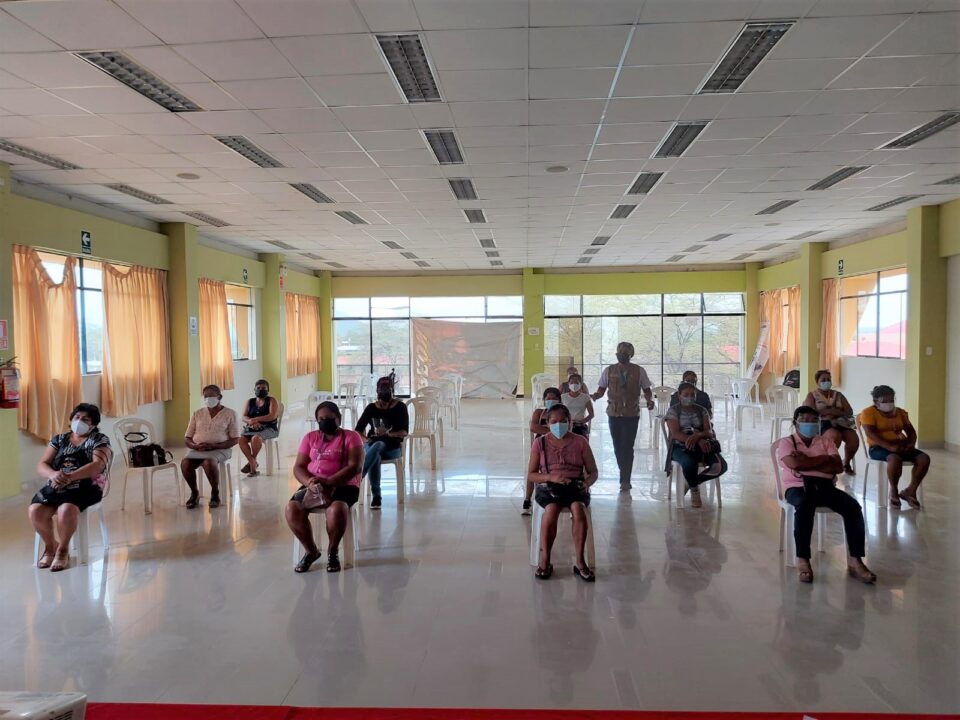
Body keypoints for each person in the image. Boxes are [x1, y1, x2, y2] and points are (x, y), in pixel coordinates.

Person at [776, 406, 876, 584]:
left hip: (824, 487)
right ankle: (803, 559)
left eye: (813, 420)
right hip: (797, 487)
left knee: (853, 507)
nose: (809, 423)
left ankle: (855, 561)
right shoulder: (787, 442)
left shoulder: (826, 441)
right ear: (796, 423)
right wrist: (824, 460)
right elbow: (794, 464)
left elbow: (837, 466)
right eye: (804, 420)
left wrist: (805, 461)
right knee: (804, 505)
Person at [29, 403, 112, 572]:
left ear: (93, 424)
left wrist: (70, 477)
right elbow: (42, 464)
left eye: (85, 419)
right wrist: (53, 474)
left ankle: (63, 549)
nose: (79, 421)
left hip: (86, 486)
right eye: (77, 417)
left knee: (66, 509)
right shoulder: (59, 440)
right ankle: (51, 546)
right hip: (57, 485)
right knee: (35, 510)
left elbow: (97, 465)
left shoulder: (99, 440)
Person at [286, 402, 364, 573]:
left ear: (339, 418)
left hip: (344, 484)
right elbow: (299, 466)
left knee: (336, 510)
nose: (324, 422)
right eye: (320, 419)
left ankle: (332, 551)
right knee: (292, 509)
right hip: (314, 485)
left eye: (329, 418)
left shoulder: (352, 437)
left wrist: (329, 482)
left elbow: (355, 467)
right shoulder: (310, 438)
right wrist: (309, 482)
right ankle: (311, 551)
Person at [526, 403, 599, 582]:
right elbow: (532, 475)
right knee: (551, 511)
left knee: (578, 510)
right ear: (547, 423)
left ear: (570, 422)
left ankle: (580, 561)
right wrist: (551, 477)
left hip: (575, 485)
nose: (559, 425)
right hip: (549, 486)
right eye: (554, 422)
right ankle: (545, 560)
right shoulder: (540, 443)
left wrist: (586, 483)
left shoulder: (580, 442)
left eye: (563, 421)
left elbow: (593, 472)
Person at [591, 341, 654, 491]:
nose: (621, 354)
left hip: (631, 414)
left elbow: (646, 389)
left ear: (631, 354)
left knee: (627, 446)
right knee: (617, 446)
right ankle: (623, 473)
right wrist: (595, 396)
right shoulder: (609, 370)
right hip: (614, 413)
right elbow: (601, 389)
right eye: (619, 352)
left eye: (625, 352)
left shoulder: (639, 371)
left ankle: (625, 479)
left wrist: (649, 400)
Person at [858, 385, 930, 509]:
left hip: (900, 445)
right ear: (876, 402)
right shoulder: (868, 413)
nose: (889, 404)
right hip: (878, 447)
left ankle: (910, 491)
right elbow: (871, 433)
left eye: (891, 400)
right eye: (884, 401)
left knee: (924, 459)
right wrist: (889, 446)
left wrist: (910, 444)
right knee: (895, 459)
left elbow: (911, 431)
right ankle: (894, 491)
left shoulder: (900, 412)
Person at [664, 382, 727, 508]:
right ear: (679, 395)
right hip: (680, 447)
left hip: (702, 446)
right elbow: (675, 434)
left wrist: (698, 436)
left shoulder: (702, 410)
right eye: (686, 395)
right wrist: (696, 440)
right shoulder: (673, 411)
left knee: (720, 467)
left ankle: (692, 482)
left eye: (692, 395)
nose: (689, 397)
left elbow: (709, 432)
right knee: (689, 463)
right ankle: (695, 491)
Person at [181, 385, 240, 510]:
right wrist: (195, 446)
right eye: (206, 396)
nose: (208, 399)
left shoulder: (230, 414)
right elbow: (187, 437)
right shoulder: (197, 413)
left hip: (221, 449)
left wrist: (215, 445)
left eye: (211, 396)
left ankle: (215, 493)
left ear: (219, 397)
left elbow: (235, 439)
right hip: (198, 449)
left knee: (208, 462)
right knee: (185, 463)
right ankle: (194, 493)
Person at [355, 376, 409, 509]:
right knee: (376, 452)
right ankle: (376, 498)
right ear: (377, 391)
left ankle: (357, 477)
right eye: (381, 389)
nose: (384, 392)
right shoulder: (371, 408)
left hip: (392, 447)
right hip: (372, 444)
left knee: (378, 446)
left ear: (392, 390)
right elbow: (357, 431)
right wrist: (367, 440)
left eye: (387, 389)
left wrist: (389, 434)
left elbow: (404, 432)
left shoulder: (400, 407)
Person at [802, 369, 858, 475]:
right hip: (823, 423)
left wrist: (834, 412)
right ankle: (828, 462)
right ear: (817, 382)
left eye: (828, 379)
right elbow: (810, 412)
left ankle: (846, 462)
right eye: (823, 380)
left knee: (853, 439)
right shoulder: (812, 395)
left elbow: (849, 411)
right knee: (835, 436)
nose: (826, 382)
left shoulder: (838, 395)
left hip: (841, 422)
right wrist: (829, 412)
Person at [522, 387, 562, 516]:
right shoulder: (539, 412)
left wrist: (546, 429)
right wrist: (552, 431)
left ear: (559, 400)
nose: (551, 400)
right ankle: (527, 499)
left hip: (559, 445)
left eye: (554, 398)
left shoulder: (562, 412)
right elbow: (534, 427)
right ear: (544, 400)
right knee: (532, 470)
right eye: (548, 398)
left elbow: (567, 429)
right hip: (541, 445)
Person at [238, 378, 280, 477]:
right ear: (254, 389)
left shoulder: (271, 400)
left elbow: (272, 416)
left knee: (255, 438)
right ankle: (253, 462)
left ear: (268, 390)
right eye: (258, 388)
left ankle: (252, 467)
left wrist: (255, 419)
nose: (261, 390)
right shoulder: (250, 401)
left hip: (269, 428)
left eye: (264, 388)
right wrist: (250, 422)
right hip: (252, 427)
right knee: (241, 440)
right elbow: (244, 416)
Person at [561, 372, 594, 437]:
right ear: (568, 384)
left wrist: (582, 421)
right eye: (572, 382)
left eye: (576, 382)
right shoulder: (563, 397)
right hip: (566, 425)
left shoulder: (585, 397)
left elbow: (591, 414)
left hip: (580, 426)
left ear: (581, 384)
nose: (574, 384)